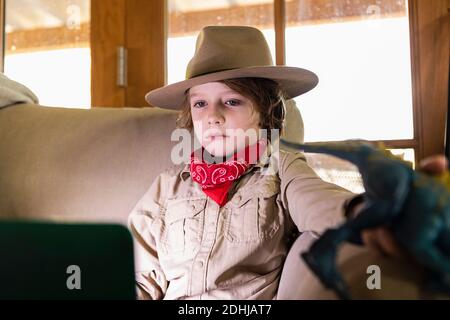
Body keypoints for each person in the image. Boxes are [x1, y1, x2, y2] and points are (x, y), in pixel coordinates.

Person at [127, 25, 444, 300]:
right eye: (200, 103)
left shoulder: (282, 168)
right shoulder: (168, 187)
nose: (212, 116)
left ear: (266, 112)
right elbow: (137, 276)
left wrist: (370, 212)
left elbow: (319, 200)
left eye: (232, 100)